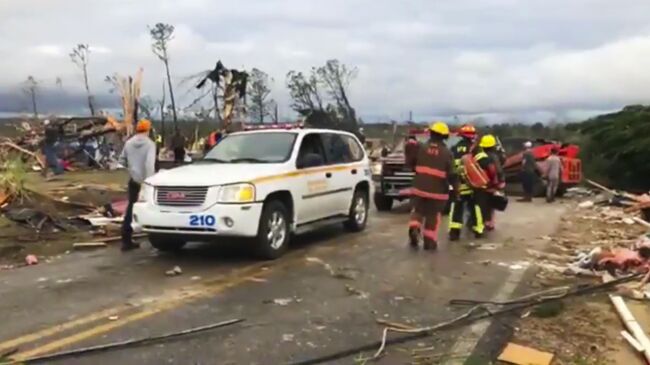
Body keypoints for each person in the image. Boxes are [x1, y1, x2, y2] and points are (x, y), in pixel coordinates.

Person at [405, 121, 457, 251]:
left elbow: (411, 163)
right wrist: (456, 191)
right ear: (445, 136)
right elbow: (452, 175)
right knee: (433, 215)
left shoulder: (421, 148)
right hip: (437, 192)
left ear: (431, 133)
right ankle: (429, 241)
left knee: (417, 210)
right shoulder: (447, 153)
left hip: (419, 188)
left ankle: (415, 227)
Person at [119, 119, 156, 251]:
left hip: (134, 180)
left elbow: (121, 160)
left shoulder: (128, 143)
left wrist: (132, 168)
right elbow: (149, 164)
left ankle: (126, 238)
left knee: (131, 208)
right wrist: (149, 181)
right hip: (146, 181)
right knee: (152, 207)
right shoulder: (150, 144)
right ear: (148, 129)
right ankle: (155, 236)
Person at [448, 124, 484, 240]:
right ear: (472, 136)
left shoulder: (453, 148)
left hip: (458, 184)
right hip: (472, 185)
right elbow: (481, 165)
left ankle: (454, 232)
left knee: (456, 207)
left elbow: (450, 167)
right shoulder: (475, 149)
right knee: (475, 207)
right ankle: (478, 230)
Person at [474, 135, 503, 232]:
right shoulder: (494, 157)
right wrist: (500, 182)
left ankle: (482, 222)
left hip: (480, 184)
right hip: (491, 184)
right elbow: (498, 170)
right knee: (492, 203)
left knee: (482, 204)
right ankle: (490, 223)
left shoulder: (478, 156)